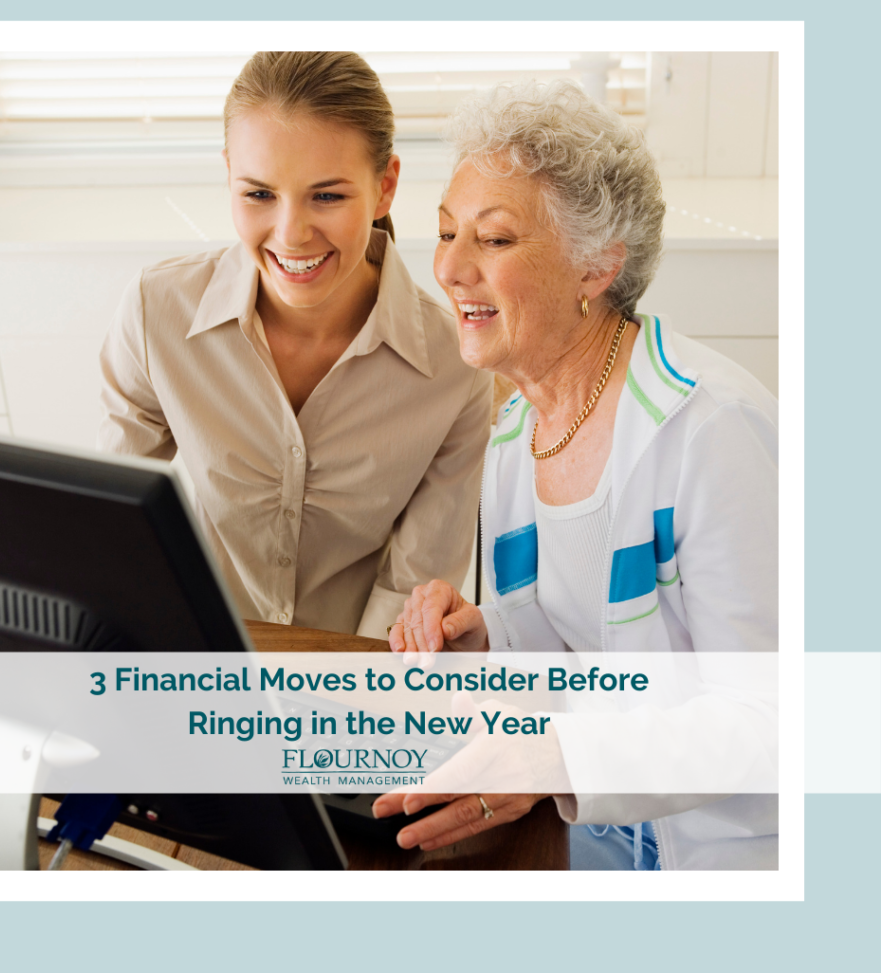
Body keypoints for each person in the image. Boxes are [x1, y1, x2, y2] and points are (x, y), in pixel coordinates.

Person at [377, 80, 778, 870]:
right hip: (596, 843)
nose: (451, 270)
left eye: (493, 241)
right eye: (447, 232)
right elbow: (567, 665)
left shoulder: (711, 430)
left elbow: (774, 716)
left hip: (738, 857)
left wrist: (553, 759)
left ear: (597, 267)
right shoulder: (517, 430)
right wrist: (479, 637)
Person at [98, 52, 492, 637]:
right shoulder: (158, 312)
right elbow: (111, 525)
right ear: (229, 173)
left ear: (384, 187)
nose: (291, 234)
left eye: (327, 197)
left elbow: (410, 596)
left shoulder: (455, 364)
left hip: (353, 678)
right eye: (259, 195)